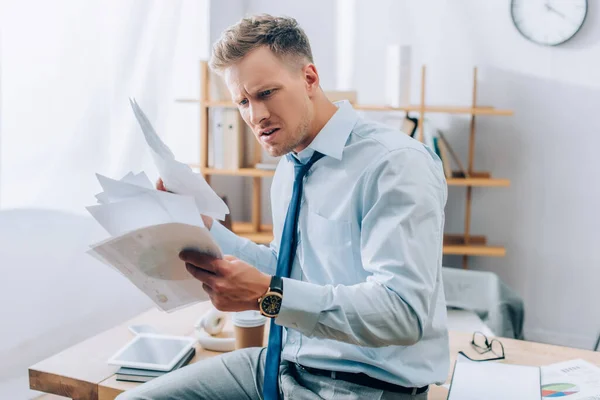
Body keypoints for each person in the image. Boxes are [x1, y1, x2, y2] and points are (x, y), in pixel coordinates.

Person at [118, 14, 449, 400]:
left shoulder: (395, 164)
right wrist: (202, 227)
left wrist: (267, 295)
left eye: (266, 93)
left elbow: (401, 315)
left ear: (310, 78)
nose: (255, 116)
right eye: (242, 101)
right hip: (280, 366)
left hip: (365, 384)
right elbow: (287, 266)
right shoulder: (291, 166)